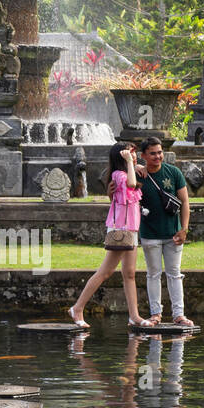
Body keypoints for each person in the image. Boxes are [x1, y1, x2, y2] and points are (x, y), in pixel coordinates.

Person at [68, 142, 148, 331]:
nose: (134, 156)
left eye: (134, 154)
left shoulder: (128, 171)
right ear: (122, 158)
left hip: (131, 230)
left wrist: (134, 165)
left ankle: (134, 316)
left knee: (129, 274)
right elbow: (131, 183)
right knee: (105, 272)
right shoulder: (118, 175)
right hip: (119, 230)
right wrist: (130, 163)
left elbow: (134, 179)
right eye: (130, 154)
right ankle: (77, 308)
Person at [134, 135, 193, 328]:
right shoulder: (139, 175)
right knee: (153, 274)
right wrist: (133, 167)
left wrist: (184, 229)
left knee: (174, 273)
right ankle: (155, 314)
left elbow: (185, 203)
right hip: (149, 233)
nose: (158, 156)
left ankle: (179, 314)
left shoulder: (174, 173)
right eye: (153, 153)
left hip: (173, 233)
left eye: (160, 152)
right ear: (143, 155)